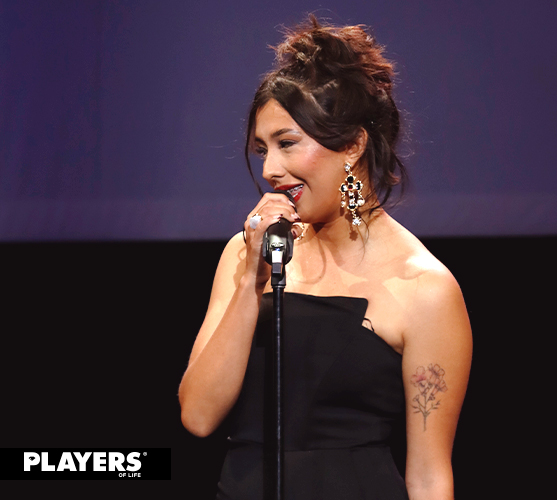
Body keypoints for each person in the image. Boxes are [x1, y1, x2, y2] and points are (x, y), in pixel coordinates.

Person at [179, 15, 472, 500]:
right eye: (262, 149)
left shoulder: (425, 288)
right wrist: (252, 281)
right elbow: (198, 416)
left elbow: (428, 476)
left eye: (287, 144)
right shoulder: (245, 255)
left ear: (353, 145)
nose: (271, 169)